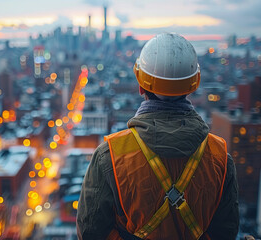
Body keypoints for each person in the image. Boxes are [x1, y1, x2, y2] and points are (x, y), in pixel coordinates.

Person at [76, 33, 239, 240]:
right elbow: (226, 232)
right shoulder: (220, 157)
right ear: (193, 85)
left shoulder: (110, 155)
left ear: (141, 85)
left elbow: (90, 233)